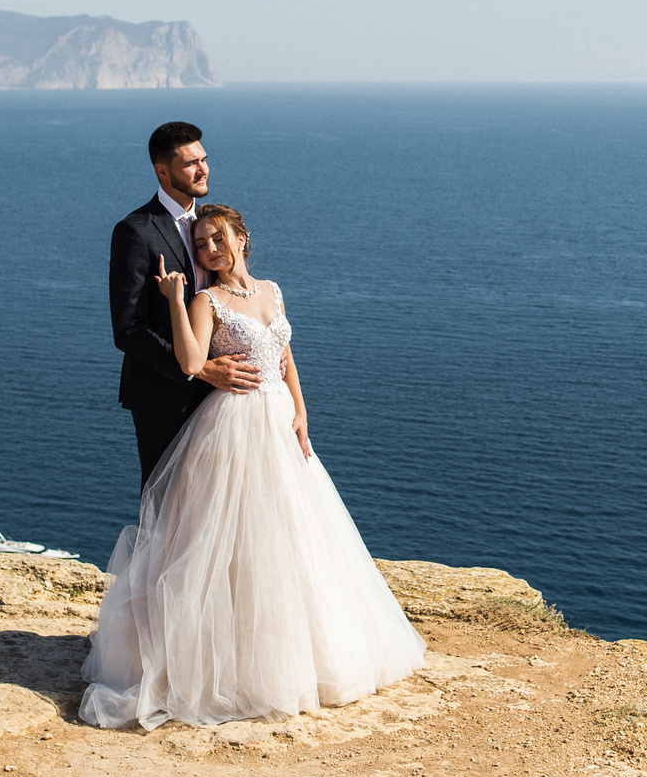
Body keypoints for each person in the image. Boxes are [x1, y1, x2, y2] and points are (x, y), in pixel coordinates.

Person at [80, 202, 425, 729]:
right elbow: (192, 363)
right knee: (227, 540)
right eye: (201, 243)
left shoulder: (272, 290)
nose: (209, 249)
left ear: (242, 238)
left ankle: (291, 654)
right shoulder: (205, 299)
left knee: (289, 540)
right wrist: (174, 300)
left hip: (280, 422)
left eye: (218, 238)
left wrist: (303, 411)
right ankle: (225, 665)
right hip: (232, 427)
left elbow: (285, 356)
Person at [109, 122, 260, 487]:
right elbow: (127, 329)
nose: (203, 169)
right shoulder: (135, 231)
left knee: (218, 505)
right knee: (168, 508)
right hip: (164, 397)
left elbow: (234, 297)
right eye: (191, 163)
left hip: (223, 398)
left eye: (204, 159)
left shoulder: (211, 227)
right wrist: (201, 369)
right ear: (162, 170)